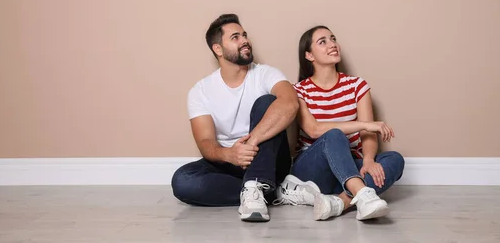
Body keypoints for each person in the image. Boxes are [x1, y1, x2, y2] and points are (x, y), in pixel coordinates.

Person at [171, 14, 299, 222]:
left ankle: (258, 184)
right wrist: (230, 154)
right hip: (230, 160)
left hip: (268, 157)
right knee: (182, 181)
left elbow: (290, 103)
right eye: (235, 37)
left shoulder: (265, 74)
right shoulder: (200, 90)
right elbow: (205, 142)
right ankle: (272, 192)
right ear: (218, 49)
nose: (245, 40)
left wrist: (252, 142)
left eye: (244, 35)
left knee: (267, 102)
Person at [274, 25, 405, 221]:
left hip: (348, 167)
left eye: (333, 39)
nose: (332, 44)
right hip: (313, 170)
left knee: (395, 159)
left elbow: (368, 136)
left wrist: (368, 160)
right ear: (309, 55)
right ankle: (362, 194)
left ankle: (338, 203)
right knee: (334, 134)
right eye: (323, 42)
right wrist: (364, 124)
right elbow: (314, 129)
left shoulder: (357, 86)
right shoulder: (300, 90)